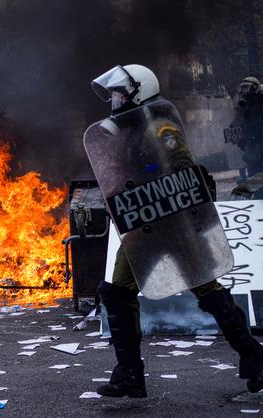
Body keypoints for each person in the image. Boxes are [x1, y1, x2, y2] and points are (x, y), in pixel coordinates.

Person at [86, 64, 263, 398]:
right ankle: (130, 375)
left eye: (118, 93)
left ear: (138, 92)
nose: (113, 100)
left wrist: (148, 179)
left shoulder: (162, 127)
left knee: (207, 291)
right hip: (144, 225)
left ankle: (255, 356)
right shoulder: (131, 129)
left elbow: (180, 171)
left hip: (176, 224)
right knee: (117, 292)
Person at [228, 76, 263, 178]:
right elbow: (236, 122)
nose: (246, 91)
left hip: (257, 139)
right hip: (254, 141)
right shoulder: (244, 104)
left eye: (248, 88)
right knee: (253, 169)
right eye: (243, 88)